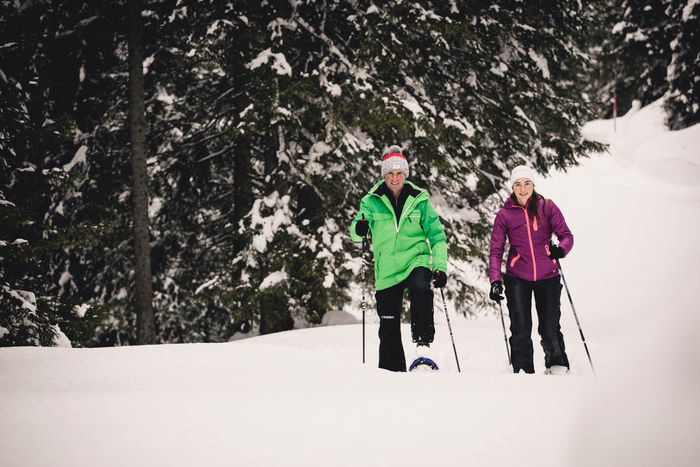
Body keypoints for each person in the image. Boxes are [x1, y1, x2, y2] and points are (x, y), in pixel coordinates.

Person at [350, 145, 448, 372]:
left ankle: (423, 345)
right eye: (390, 174)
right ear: (384, 175)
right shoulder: (371, 200)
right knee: (388, 325)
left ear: (405, 175)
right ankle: (391, 374)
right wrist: (361, 227)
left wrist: (440, 267)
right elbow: (355, 231)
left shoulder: (419, 199)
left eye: (399, 174)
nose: (395, 178)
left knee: (421, 288)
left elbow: (437, 237)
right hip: (387, 269)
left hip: (416, 261)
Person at [488, 165, 573, 374]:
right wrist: (495, 280)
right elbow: (496, 251)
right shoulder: (504, 215)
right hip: (518, 277)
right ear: (512, 187)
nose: (523, 188)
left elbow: (567, 236)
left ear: (533, 185)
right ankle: (523, 371)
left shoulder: (547, 207)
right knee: (520, 327)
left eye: (527, 183)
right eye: (518, 184)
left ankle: (557, 366)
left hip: (548, 276)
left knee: (550, 326)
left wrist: (560, 250)